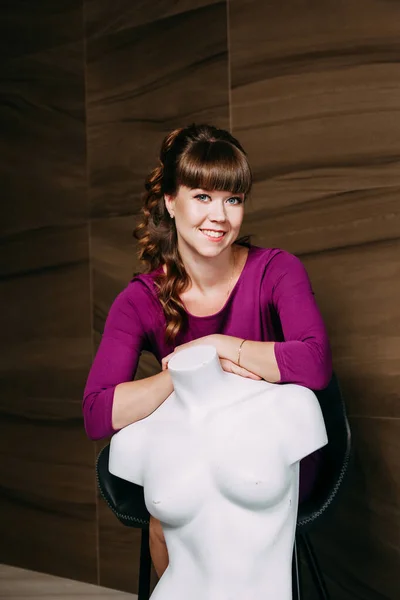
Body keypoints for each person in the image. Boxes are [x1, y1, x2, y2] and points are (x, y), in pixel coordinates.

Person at [83, 123, 332, 580]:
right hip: (190, 460)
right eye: (202, 196)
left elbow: (315, 365)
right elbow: (98, 412)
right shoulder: (140, 299)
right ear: (170, 201)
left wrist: (217, 345)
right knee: (178, 499)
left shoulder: (277, 270)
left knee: (200, 498)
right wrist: (188, 371)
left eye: (232, 199)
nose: (220, 215)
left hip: (271, 456)